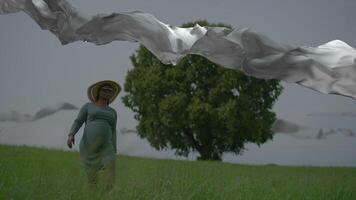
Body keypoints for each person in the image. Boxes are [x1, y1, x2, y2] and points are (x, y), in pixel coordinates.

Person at [67, 80, 120, 192]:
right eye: (104, 90)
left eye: (110, 91)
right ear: (98, 92)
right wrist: (71, 134)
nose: (107, 92)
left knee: (111, 168)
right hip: (89, 146)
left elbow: (113, 130)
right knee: (92, 176)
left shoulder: (113, 112)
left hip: (107, 146)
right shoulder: (88, 107)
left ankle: (107, 194)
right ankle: (93, 194)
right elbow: (78, 121)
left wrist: (114, 148)